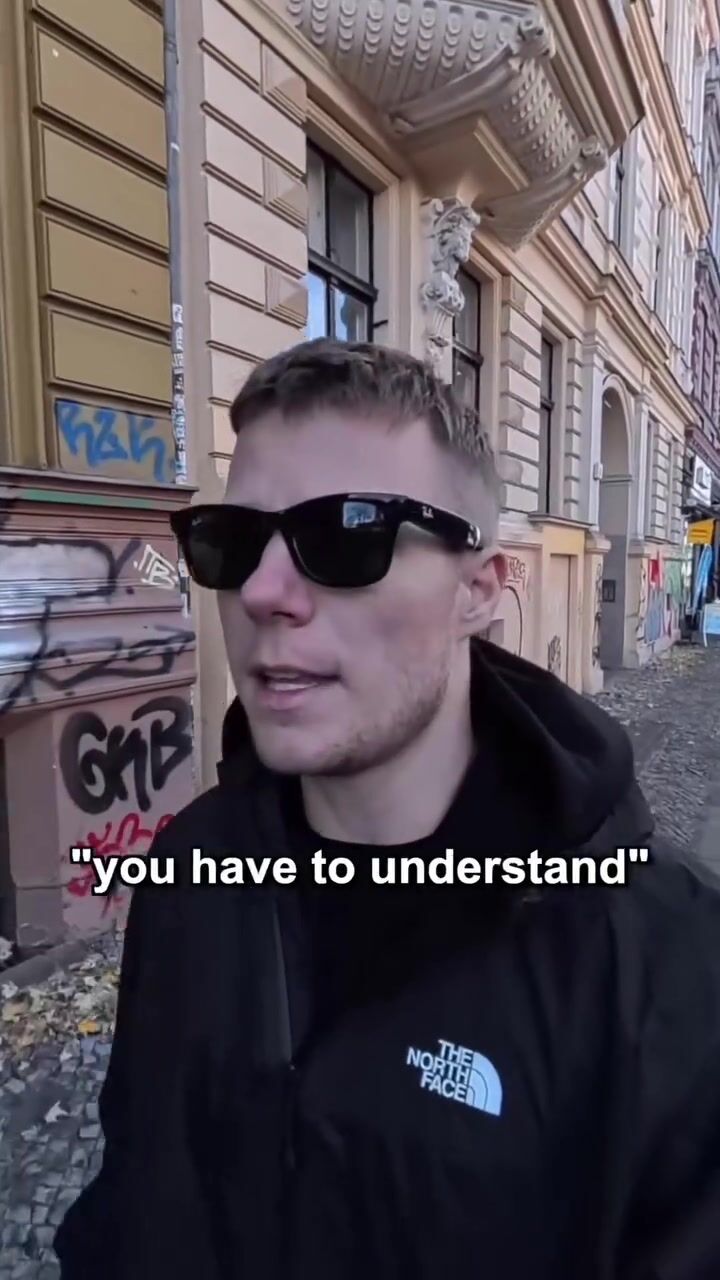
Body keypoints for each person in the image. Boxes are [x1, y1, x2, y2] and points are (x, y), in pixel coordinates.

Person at [55, 339, 720, 1279]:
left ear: (478, 591)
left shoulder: (668, 966)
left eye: (346, 535)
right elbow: (134, 1205)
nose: (262, 593)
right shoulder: (189, 872)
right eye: (232, 542)